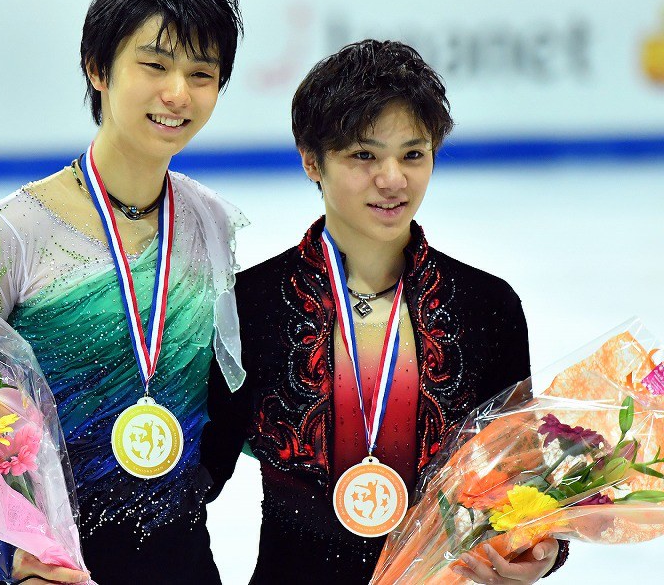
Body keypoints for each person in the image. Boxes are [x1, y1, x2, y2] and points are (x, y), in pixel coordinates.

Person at [201, 40, 568, 584]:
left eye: (413, 154)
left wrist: (541, 549)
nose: (393, 179)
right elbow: (196, 478)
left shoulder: (487, 306)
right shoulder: (252, 303)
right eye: (364, 155)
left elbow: (518, 483)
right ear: (311, 162)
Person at [0, 0, 245, 584]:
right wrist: (16, 555)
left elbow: (225, 385)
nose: (178, 95)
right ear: (98, 69)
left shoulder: (208, 222)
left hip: (182, 560)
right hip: (52, 570)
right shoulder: (9, 234)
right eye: (155, 65)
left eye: (201, 74)